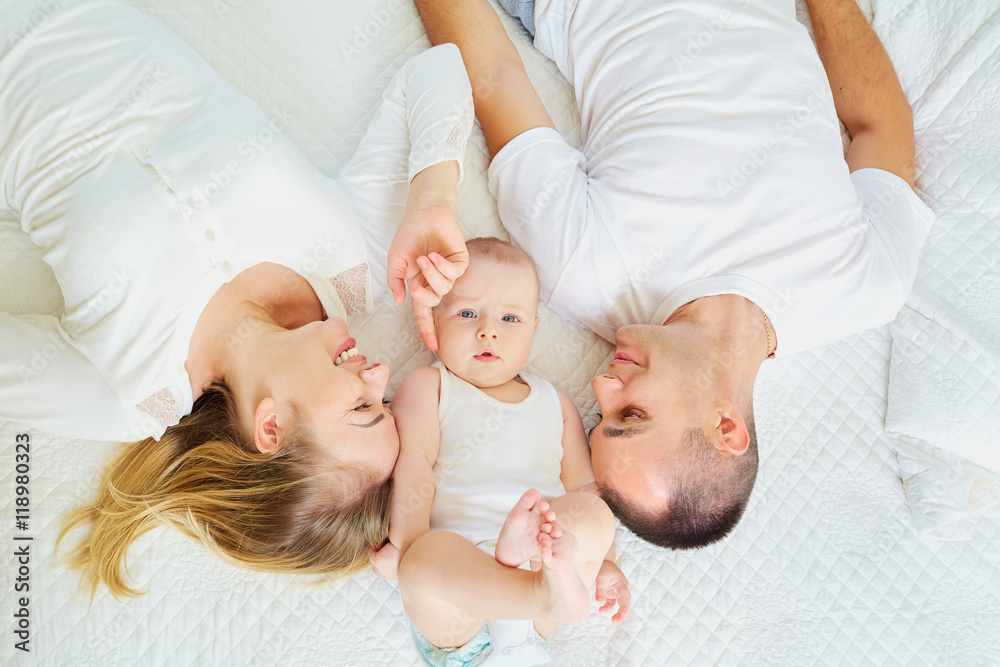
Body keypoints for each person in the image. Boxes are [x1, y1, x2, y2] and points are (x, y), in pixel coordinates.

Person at [412, 0, 935, 549]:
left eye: (601, 415)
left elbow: (493, 73)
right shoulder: (865, 288)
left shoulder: (582, 273)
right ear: (724, 426)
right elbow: (879, 126)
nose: (601, 385)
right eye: (632, 414)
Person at [0, 0, 474, 596]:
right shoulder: (352, 266)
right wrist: (433, 198)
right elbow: (436, 71)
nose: (380, 372)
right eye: (386, 399)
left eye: (363, 407)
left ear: (270, 428)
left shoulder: (129, 391)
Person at [369, 238, 629, 664]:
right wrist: (409, 541)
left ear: (533, 330)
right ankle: (532, 590)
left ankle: (535, 581)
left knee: (595, 514)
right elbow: (414, 465)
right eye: (468, 313)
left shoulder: (554, 402)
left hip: (542, 575)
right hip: (464, 610)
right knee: (422, 563)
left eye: (510, 317)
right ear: (433, 319)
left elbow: (583, 487)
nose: (488, 330)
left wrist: (603, 562)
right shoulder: (430, 387)